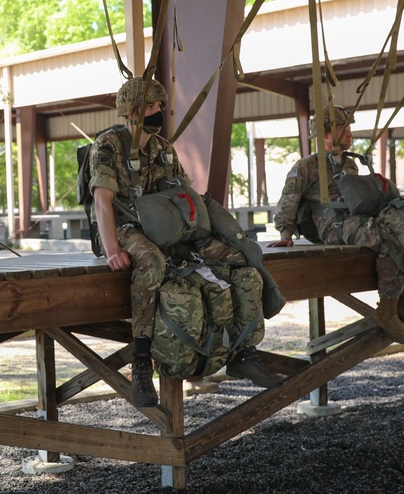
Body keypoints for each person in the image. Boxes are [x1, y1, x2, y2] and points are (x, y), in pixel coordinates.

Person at [88, 77, 283, 407]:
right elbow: (102, 200)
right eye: (150, 106)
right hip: (128, 228)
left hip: (171, 228)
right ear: (132, 111)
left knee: (237, 259)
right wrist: (112, 251)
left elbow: (184, 192)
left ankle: (244, 353)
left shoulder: (163, 148)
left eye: (160, 106)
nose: (158, 112)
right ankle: (140, 362)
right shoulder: (109, 145)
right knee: (152, 263)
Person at [269, 106, 404, 344]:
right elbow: (288, 201)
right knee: (390, 239)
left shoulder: (350, 164)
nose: (350, 133)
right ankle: (388, 308)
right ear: (326, 134)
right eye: (343, 127)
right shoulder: (307, 166)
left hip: (355, 220)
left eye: (349, 127)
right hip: (333, 226)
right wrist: (286, 233)